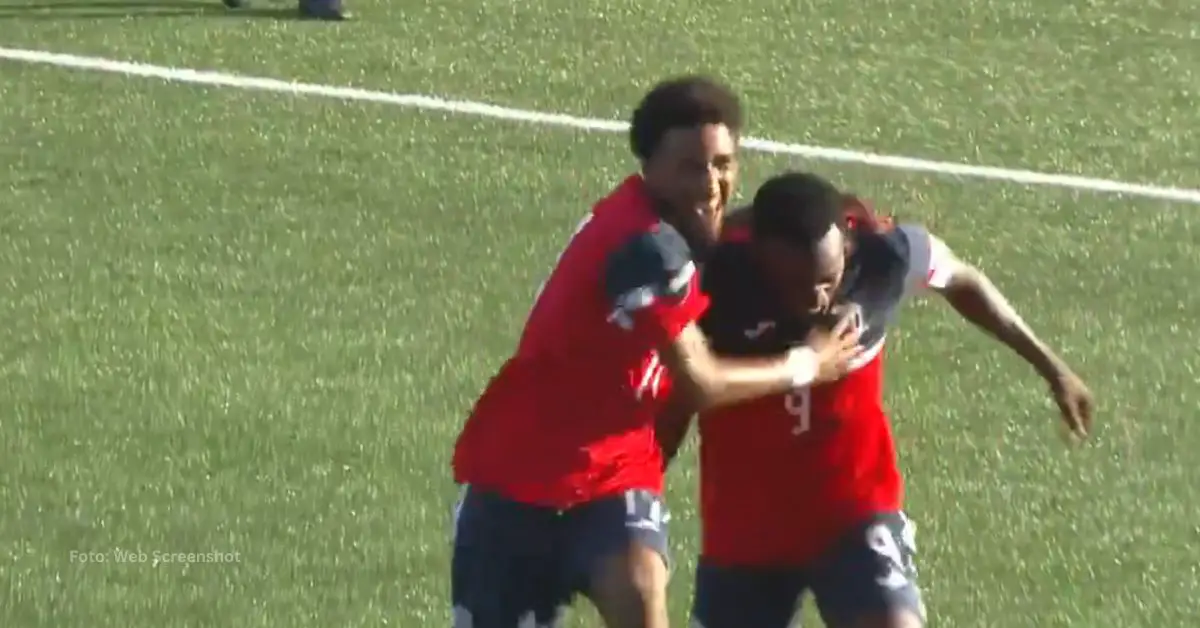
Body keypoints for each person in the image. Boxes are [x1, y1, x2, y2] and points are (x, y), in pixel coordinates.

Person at [448, 81, 864, 628]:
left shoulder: (687, 232)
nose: (712, 185)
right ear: (649, 168)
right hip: (519, 481)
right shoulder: (646, 247)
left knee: (643, 587)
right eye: (691, 168)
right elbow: (700, 382)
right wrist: (809, 364)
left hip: (615, 474)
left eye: (723, 164)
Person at [657, 171, 1094, 628]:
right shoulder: (712, 285)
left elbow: (963, 279)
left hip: (853, 510)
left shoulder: (884, 258)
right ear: (759, 257)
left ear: (846, 247)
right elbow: (680, 392)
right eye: (794, 283)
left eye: (827, 280)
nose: (816, 298)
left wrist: (1052, 367)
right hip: (745, 526)